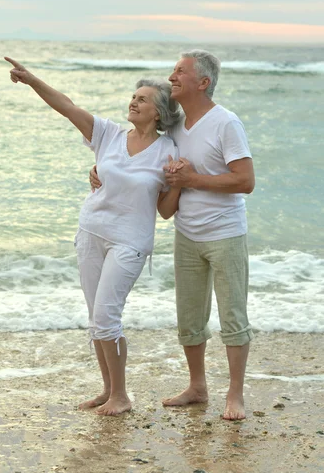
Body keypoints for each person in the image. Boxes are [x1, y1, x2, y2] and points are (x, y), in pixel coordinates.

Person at [4, 56, 181, 416]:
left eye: (143, 99)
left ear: (158, 113)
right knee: (96, 317)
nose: (133, 101)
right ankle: (108, 390)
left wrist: (180, 181)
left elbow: (165, 210)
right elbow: (67, 106)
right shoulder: (109, 134)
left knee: (106, 317)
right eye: (133, 96)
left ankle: (122, 396)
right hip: (90, 233)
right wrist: (31, 80)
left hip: (130, 243)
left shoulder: (169, 151)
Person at [91, 49, 255, 420]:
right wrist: (100, 168)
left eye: (180, 72)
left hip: (225, 233)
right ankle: (198, 387)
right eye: (173, 71)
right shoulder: (176, 128)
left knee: (232, 316)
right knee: (189, 318)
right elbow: (141, 153)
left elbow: (246, 181)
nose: (172, 77)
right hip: (187, 232)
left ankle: (235, 395)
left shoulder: (226, 123)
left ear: (203, 82)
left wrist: (192, 179)